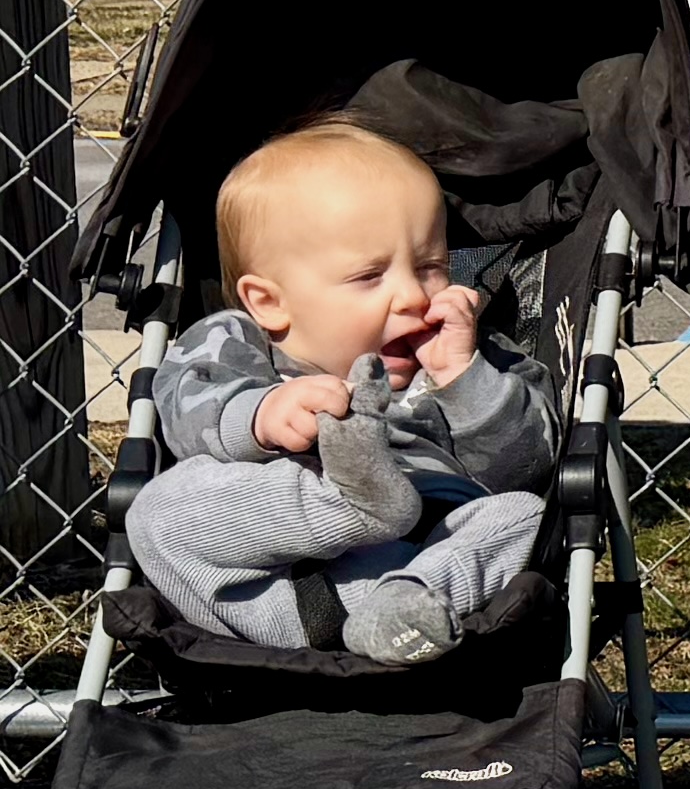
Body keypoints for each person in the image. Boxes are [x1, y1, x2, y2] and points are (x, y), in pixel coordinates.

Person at [128, 118, 553, 661]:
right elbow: (182, 409)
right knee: (155, 509)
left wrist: (462, 379)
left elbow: (526, 465)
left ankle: (404, 607)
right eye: (369, 276)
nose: (412, 297)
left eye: (430, 267)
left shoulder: (470, 353)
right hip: (262, 585)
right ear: (268, 302)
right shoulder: (237, 341)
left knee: (521, 514)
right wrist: (259, 414)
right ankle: (351, 502)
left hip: (411, 561)